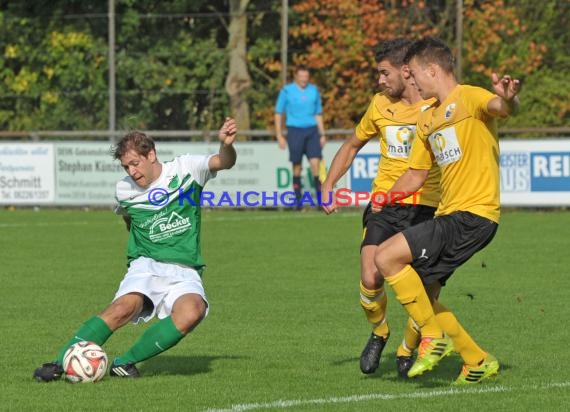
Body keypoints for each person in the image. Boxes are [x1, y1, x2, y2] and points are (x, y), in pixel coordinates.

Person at [33, 118, 237, 381]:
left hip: (185, 269)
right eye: (126, 166)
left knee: (192, 311)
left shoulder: (186, 169)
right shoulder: (124, 190)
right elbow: (128, 219)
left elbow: (225, 161)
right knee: (124, 307)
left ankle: (124, 362)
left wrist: (226, 145)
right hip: (146, 264)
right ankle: (59, 362)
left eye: (135, 163)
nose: (131, 171)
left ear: (151, 154)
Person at [373, 36, 521, 384]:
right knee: (423, 295)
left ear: (432, 70)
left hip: (472, 214)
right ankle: (477, 360)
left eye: (415, 76)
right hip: (452, 216)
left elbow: (501, 109)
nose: (412, 83)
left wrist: (509, 99)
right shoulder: (428, 118)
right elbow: (414, 176)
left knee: (386, 258)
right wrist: (384, 197)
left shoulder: (468, 97)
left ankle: (432, 337)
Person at [321, 38, 443, 377]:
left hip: (430, 206)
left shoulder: (437, 102)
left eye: (384, 73)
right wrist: (329, 184)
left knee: (425, 289)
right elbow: (351, 144)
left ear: (406, 71)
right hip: (385, 204)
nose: (380, 81)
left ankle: (408, 346)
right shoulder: (379, 105)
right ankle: (379, 332)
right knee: (370, 274)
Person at [275, 64, 326, 209]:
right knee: (297, 166)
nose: (304, 79)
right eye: (301, 76)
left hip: (312, 130)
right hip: (294, 130)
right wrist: (279, 135)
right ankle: (298, 202)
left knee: (316, 164)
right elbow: (278, 113)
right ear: (296, 76)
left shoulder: (314, 90)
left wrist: (322, 133)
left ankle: (321, 202)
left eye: (306, 77)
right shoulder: (286, 91)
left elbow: (318, 113)